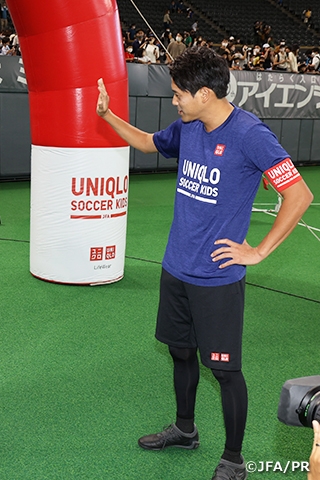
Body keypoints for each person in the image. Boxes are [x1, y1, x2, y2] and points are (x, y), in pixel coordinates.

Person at [96, 46, 313, 480]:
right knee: (180, 352)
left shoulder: (250, 134)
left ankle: (234, 459)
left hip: (217, 278)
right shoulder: (188, 125)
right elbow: (146, 141)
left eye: (179, 94)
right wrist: (106, 115)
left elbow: (300, 194)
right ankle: (185, 429)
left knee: (225, 370)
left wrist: (259, 251)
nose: (174, 101)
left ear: (206, 94)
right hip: (176, 267)